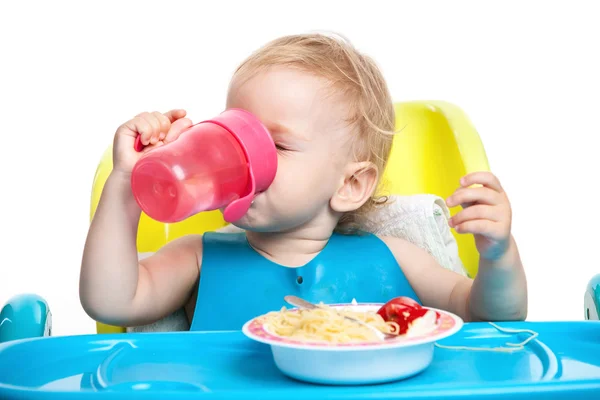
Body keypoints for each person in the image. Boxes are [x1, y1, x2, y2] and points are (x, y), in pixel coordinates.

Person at [80, 33, 527, 331]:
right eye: (235, 132)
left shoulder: (395, 257)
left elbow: (488, 318)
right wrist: (125, 184)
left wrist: (498, 256)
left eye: (277, 144)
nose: (241, 156)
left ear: (350, 185)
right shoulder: (198, 257)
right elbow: (111, 302)